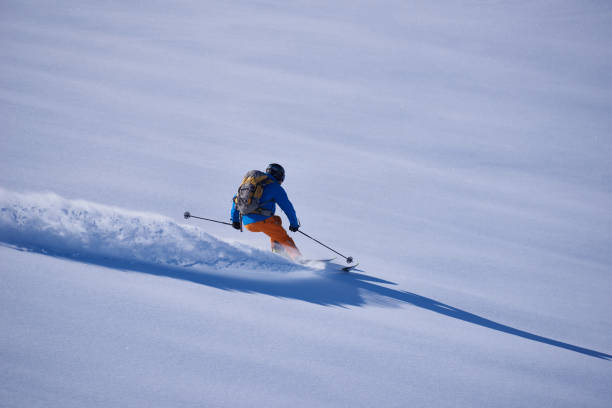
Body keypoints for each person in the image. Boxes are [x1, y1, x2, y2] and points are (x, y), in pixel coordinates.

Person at [230, 163, 302, 260]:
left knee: (276, 220)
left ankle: (278, 250)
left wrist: (235, 220)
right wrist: (294, 224)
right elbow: (287, 207)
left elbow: (237, 199)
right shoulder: (275, 187)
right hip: (261, 221)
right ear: (279, 176)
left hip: (246, 221)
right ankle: (298, 260)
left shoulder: (252, 183)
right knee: (284, 238)